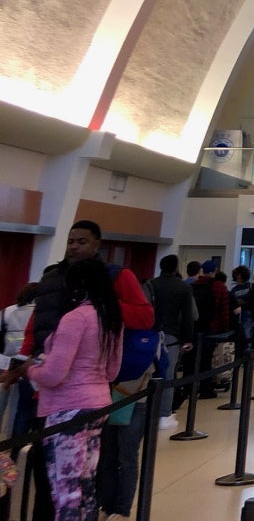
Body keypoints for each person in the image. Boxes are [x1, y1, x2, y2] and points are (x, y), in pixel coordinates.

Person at [0, 220, 151, 521]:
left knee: (65, 484)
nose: (74, 246)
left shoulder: (100, 295)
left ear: (97, 244)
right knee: (76, 479)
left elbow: (145, 318)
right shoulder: (63, 285)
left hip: (64, 399)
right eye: (71, 241)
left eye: (82, 241)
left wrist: (31, 369)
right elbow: (37, 327)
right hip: (87, 399)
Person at [27, 258, 123, 521]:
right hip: (98, 404)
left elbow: (54, 374)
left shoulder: (75, 318)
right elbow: (112, 371)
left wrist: (31, 370)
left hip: (66, 409)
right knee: (86, 483)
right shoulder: (110, 317)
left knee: (65, 489)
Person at [147, 254, 195, 429]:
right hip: (171, 336)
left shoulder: (151, 284)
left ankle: (147, 410)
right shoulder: (182, 287)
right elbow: (188, 315)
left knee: (149, 374)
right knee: (167, 375)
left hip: (149, 334)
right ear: (176, 268)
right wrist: (188, 338)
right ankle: (164, 414)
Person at [0, 283, 38, 437]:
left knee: (2, 403)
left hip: (4, 361)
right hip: (26, 363)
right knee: (19, 408)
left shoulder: (7, 312)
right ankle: (10, 442)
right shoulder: (37, 313)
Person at [191, 260, 230, 399]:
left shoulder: (195, 285)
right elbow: (224, 310)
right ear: (215, 270)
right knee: (207, 359)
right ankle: (206, 388)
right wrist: (225, 331)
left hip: (195, 327)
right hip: (212, 328)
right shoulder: (219, 286)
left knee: (193, 357)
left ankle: (189, 387)